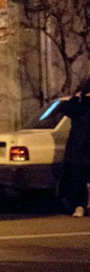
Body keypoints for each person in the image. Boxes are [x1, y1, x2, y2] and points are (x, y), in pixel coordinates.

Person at [59, 77, 90, 217]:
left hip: (80, 147)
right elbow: (65, 108)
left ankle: (82, 206)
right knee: (78, 177)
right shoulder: (79, 105)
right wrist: (77, 97)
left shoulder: (80, 105)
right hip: (79, 147)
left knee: (80, 177)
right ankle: (80, 206)